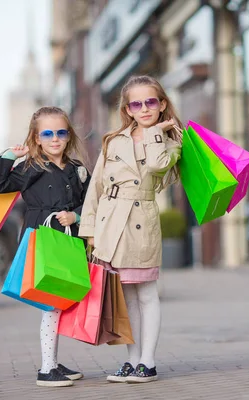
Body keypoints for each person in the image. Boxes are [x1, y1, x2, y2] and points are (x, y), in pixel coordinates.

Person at [79, 75, 183, 384]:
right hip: (110, 225)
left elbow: (156, 167)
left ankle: (148, 362)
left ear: (162, 103)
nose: (144, 108)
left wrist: (154, 134)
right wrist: (90, 230)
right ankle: (132, 359)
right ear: (128, 109)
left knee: (147, 294)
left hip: (140, 221)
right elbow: (96, 186)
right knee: (124, 299)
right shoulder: (114, 139)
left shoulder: (171, 141)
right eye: (136, 103)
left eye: (151, 101)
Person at [0, 106, 91, 388]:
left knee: (60, 303)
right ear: (36, 137)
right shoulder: (30, 167)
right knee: (51, 306)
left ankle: (53, 363)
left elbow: (92, 200)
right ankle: (46, 368)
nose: (55, 139)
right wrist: (9, 155)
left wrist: (77, 215)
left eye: (60, 132)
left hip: (69, 239)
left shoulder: (77, 169)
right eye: (47, 133)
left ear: (68, 135)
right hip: (42, 241)